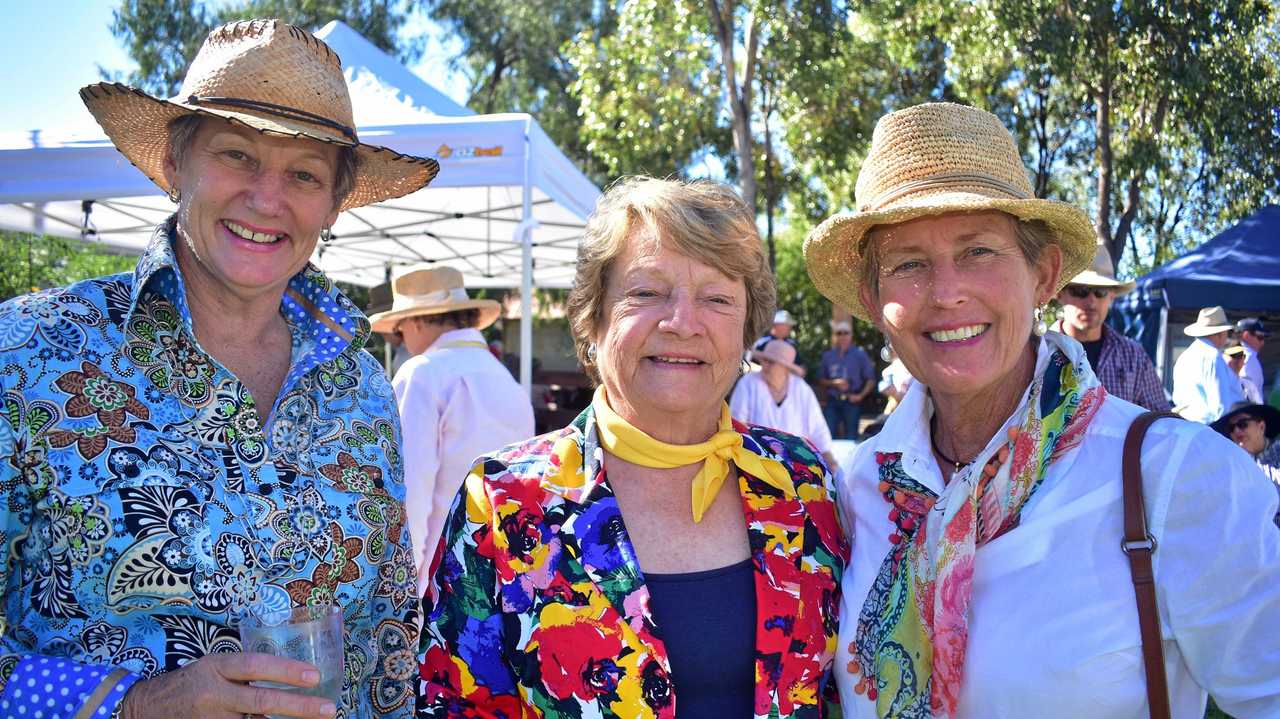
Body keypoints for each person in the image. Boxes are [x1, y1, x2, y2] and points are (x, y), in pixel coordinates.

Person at [0, 21, 436, 719]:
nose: (267, 199)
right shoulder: (28, 353)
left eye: (304, 174)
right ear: (176, 165)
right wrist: (133, 704)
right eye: (237, 155)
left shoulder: (360, 388)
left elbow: (385, 638)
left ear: (330, 207)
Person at [804, 102, 1280, 718]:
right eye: (909, 264)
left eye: (978, 251)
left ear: (1044, 274)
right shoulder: (863, 487)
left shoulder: (1177, 477)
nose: (947, 292)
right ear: (873, 299)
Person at [418, 177, 848, 718]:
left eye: (717, 299)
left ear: (746, 333)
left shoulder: (802, 482)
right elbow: (453, 704)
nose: (682, 324)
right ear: (592, 319)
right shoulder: (504, 500)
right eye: (646, 293)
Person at [368, 265, 534, 597]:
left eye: (400, 330)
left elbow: (410, 489)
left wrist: (402, 586)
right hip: (506, 564)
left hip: (439, 573)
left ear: (415, 322)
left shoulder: (423, 373)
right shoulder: (506, 380)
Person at [1053, 242, 1171, 411]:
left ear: (1112, 296)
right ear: (1059, 294)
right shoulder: (1036, 353)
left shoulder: (1133, 356)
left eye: (1100, 292)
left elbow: (1160, 419)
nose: (1091, 301)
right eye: (1080, 291)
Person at [730, 339, 836, 469]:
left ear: (785, 368)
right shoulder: (749, 383)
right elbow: (736, 424)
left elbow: (818, 429)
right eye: (764, 360)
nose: (765, 365)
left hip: (798, 463)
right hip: (758, 462)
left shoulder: (801, 388)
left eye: (771, 362)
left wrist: (829, 458)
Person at [1173, 306, 1245, 423]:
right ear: (1220, 334)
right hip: (1208, 428)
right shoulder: (1213, 357)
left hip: (1185, 425)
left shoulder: (1184, 356)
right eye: (1226, 332)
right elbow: (1221, 406)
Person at [818, 320, 875, 440]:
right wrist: (834, 383)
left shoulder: (860, 355)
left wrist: (860, 396)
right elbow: (820, 380)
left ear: (851, 335)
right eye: (839, 333)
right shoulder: (828, 356)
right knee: (828, 437)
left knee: (851, 438)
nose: (843, 336)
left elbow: (871, 379)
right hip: (832, 401)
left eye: (846, 333)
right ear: (835, 336)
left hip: (852, 401)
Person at [1236, 317, 1269, 395]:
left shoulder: (1225, 354)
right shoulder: (1249, 358)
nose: (1263, 342)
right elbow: (1252, 397)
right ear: (1246, 336)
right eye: (1260, 337)